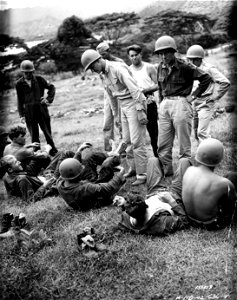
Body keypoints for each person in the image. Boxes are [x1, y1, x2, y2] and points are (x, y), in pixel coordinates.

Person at [81, 49, 148, 186]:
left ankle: (143, 174)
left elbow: (135, 89)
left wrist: (140, 110)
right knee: (126, 140)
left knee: (137, 141)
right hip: (122, 105)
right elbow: (111, 96)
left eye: (92, 67)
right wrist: (116, 115)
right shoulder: (102, 74)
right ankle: (134, 169)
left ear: (98, 60)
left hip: (134, 102)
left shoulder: (117, 68)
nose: (93, 70)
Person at [154, 35, 213, 176]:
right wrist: (160, 103)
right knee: (163, 143)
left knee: (183, 144)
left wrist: (193, 96)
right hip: (165, 105)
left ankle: (184, 174)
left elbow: (206, 78)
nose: (163, 56)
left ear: (173, 51)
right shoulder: (159, 67)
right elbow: (160, 86)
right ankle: (167, 172)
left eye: (166, 52)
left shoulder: (185, 66)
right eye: (160, 54)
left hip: (181, 104)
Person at [115, 155, 190, 236]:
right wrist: (171, 201)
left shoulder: (127, 217)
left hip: (154, 192)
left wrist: (123, 202)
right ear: (146, 206)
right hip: (174, 196)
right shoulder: (160, 223)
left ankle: (165, 169)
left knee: (153, 160)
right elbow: (184, 221)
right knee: (184, 161)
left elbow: (129, 207)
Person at [182, 138, 236, 230]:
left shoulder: (189, 170)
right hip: (211, 224)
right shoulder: (224, 183)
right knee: (233, 177)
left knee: (230, 176)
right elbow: (231, 207)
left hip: (189, 219)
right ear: (219, 158)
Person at [186, 44, 230, 141]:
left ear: (199, 59)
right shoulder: (190, 69)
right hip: (195, 102)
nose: (190, 62)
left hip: (206, 102)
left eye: (192, 59)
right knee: (196, 132)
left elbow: (225, 82)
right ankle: (202, 154)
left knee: (202, 133)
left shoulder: (209, 69)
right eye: (189, 59)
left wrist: (215, 97)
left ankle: (212, 154)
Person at [16, 60, 58, 156]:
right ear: (22, 72)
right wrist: (21, 115)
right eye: (26, 73)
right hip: (29, 112)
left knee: (47, 132)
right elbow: (19, 100)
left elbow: (51, 87)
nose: (28, 74)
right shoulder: (19, 84)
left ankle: (53, 150)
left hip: (41, 109)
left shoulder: (39, 79)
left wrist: (48, 99)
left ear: (33, 71)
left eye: (30, 72)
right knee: (34, 134)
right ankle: (36, 153)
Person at [57, 158, 126, 211]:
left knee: (96, 162)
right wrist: (120, 174)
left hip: (80, 200)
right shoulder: (85, 188)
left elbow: (67, 169)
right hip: (93, 201)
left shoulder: (59, 183)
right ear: (78, 175)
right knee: (108, 163)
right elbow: (109, 188)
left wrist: (79, 151)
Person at [127, 44, 159, 157]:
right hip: (135, 103)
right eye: (131, 56)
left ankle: (157, 156)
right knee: (136, 134)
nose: (134, 58)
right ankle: (140, 161)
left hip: (149, 101)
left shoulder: (149, 67)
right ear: (129, 57)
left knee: (153, 131)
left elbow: (158, 84)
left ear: (140, 55)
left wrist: (145, 90)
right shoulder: (128, 70)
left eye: (136, 55)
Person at [96, 41, 124, 151]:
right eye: (99, 56)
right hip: (108, 95)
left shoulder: (119, 62)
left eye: (103, 55)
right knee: (107, 124)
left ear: (109, 51)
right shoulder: (100, 65)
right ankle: (109, 151)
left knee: (120, 122)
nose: (101, 58)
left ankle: (123, 148)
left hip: (120, 95)